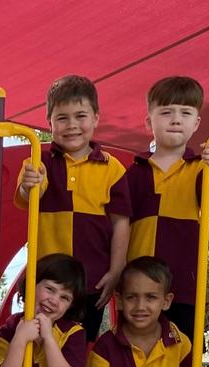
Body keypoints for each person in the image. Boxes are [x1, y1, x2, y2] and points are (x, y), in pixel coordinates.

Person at [15, 74, 131, 341]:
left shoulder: (111, 168)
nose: (72, 125)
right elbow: (25, 196)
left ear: (96, 119)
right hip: (47, 281)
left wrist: (116, 271)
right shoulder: (38, 160)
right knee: (41, 341)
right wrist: (30, 185)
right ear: (49, 123)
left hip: (90, 281)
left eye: (80, 116)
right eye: (62, 118)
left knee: (82, 343)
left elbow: (120, 223)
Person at [124, 76, 209, 340]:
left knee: (183, 346)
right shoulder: (135, 171)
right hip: (140, 281)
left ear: (196, 123)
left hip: (183, 280)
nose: (176, 119)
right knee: (136, 343)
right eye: (166, 112)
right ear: (149, 122)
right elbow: (121, 224)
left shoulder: (199, 166)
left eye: (185, 113)